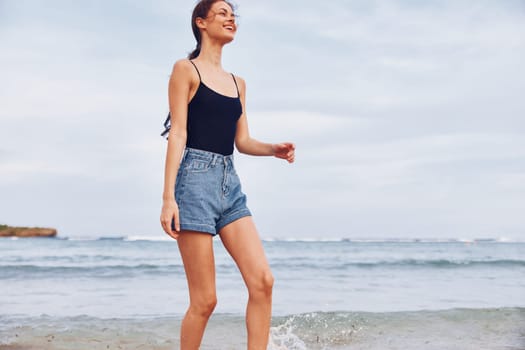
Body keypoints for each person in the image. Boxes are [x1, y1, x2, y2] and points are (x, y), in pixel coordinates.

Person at [159, 1, 295, 349]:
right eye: (222, 13)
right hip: (194, 182)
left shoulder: (239, 83)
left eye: (233, 14)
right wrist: (168, 198)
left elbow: (242, 140)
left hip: (229, 183)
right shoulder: (185, 70)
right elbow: (178, 133)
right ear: (200, 22)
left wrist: (272, 149)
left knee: (263, 281)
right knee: (205, 301)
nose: (230, 18)